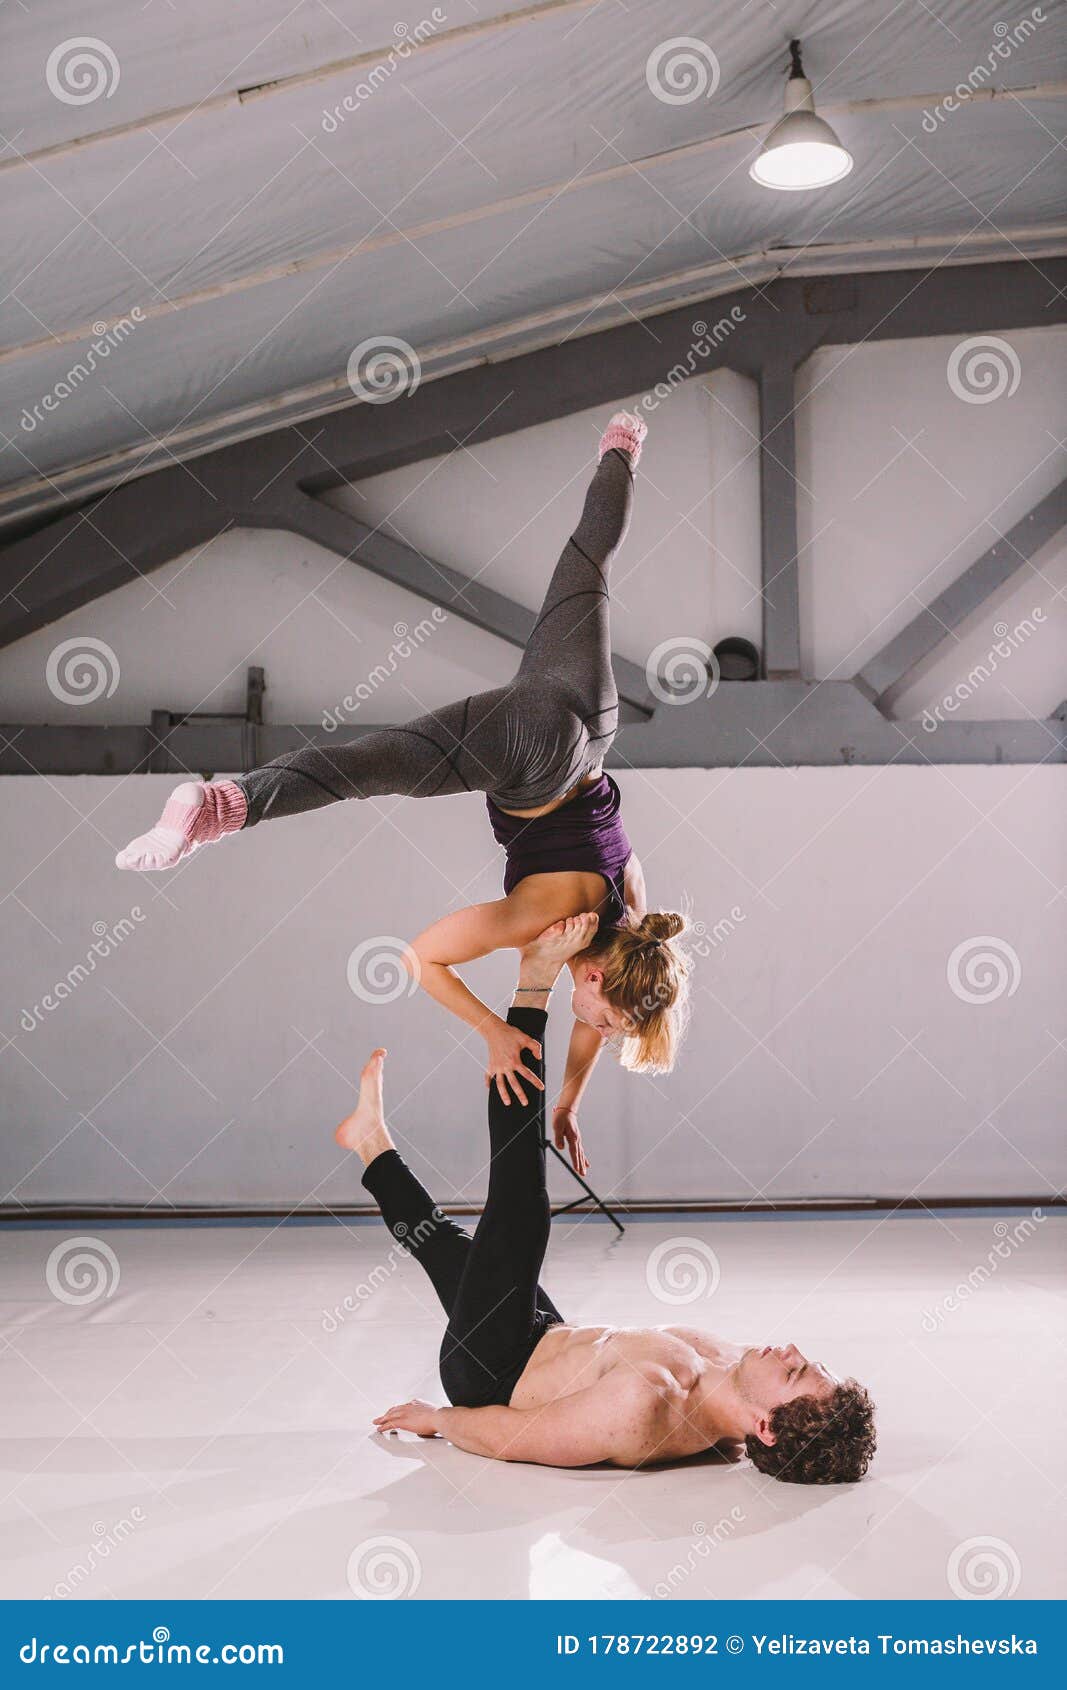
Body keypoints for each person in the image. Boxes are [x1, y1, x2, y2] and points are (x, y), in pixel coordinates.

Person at [116, 413, 690, 1151]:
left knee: (588, 563)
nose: (592, 1029)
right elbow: (423, 957)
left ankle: (621, 449)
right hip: (535, 753)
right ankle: (218, 806)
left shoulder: (632, 920)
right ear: (602, 981)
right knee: (373, 765)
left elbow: (586, 1027)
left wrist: (565, 1106)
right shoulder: (543, 923)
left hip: (591, 726)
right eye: (604, 1019)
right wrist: (491, 1029)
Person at [338, 917, 876, 1482]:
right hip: (542, 1334)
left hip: (491, 1369)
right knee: (450, 1247)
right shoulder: (730, 1379)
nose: (791, 1350)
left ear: (767, 1425)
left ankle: (533, 985)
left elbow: (518, 1436)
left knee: (521, 1213)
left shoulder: (643, 1413)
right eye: (807, 1362)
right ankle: (371, 1145)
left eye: (795, 1374)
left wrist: (442, 1420)